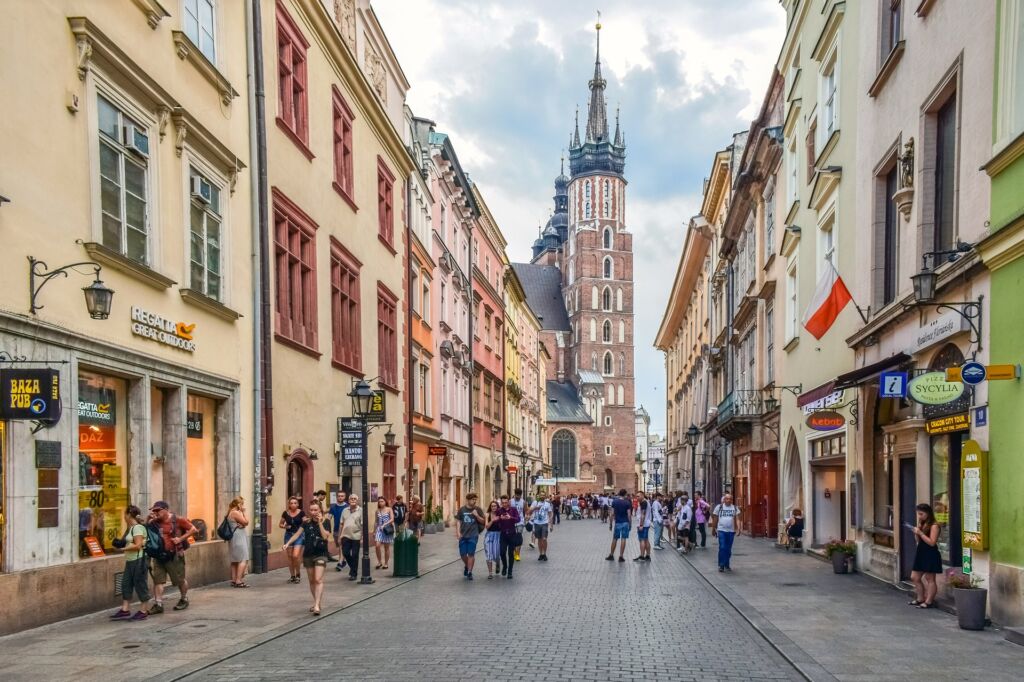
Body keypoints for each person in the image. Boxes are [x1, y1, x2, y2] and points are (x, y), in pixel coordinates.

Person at [146, 500, 196, 613]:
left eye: (157, 510)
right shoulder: (154, 521)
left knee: (180, 580)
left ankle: (184, 599)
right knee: (158, 580)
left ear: (166, 510)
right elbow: (146, 530)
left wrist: (180, 539)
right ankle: (158, 604)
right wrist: (147, 519)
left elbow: (193, 529)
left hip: (175, 555)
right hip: (159, 555)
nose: (155, 512)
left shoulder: (177, 519)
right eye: (154, 510)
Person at [283, 500, 331, 616]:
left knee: (318, 579)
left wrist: (319, 522)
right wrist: (288, 543)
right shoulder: (306, 522)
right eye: (311, 510)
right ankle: (316, 602)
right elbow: (297, 534)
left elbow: (325, 536)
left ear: (320, 510)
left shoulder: (326, 521)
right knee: (312, 580)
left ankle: (316, 605)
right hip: (308, 554)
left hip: (321, 554)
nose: (313, 512)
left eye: (316, 510)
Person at [109, 504, 152, 620]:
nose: (124, 517)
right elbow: (131, 542)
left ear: (128, 515)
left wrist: (123, 549)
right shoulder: (131, 528)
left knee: (140, 584)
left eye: (124, 514)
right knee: (126, 584)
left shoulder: (137, 528)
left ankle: (143, 610)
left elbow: (138, 545)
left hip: (139, 560)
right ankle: (125, 609)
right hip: (130, 560)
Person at [910, 503, 942, 608]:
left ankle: (928, 601)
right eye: (918, 514)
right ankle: (920, 598)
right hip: (921, 552)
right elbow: (918, 541)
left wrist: (921, 533)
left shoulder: (934, 525)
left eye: (921, 514)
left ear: (928, 513)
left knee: (930, 578)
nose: (919, 516)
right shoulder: (923, 524)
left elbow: (932, 542)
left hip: (930, 553)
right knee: (914, 577)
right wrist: (916, 533)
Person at [456, 493, 485, 580]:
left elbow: (483, 521)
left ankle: (469, 572)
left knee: (471, 554)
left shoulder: (478, 509)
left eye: (475, 499)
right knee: (463, 554)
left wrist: (476, 515)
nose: (474, 501)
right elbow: (458, 521)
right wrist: (458, 532)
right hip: (463, 535)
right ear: (468, 500)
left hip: (473, 534)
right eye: (473, 499)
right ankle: (467, 565)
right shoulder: (462, 510)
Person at [279, 497, 306, 584]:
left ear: (298, 504)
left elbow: (305, 522)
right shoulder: (285, 513)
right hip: (288, 535)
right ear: (289, 504)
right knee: (290, 557)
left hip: (299, 535)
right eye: (291, 503)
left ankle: (298, 574)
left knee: (295, 556)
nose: (293, 504)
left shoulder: (301, 512)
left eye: (295, 503)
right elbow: (280, 524)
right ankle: (292, 576)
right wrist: (285, 526)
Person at [711, 493, 741, 572]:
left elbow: (738, 519)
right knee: (722, 547)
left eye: (730, 499)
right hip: (721, 530)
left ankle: (727, 564)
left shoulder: (735, 508)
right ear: (724, 500)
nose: (728, 500)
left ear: (732, 500)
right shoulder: (719, 507)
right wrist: (713, 529)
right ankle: (721, 565)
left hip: (731, 531)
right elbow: (715, 518)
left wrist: (739, 528)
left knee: (728, 549)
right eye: (727, 499)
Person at [495, 495, 521, 579]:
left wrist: (511, 517)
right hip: (503, 534)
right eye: (503, 503)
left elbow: (518, 519)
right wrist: (500, 518)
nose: (504, 504)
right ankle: (505, 566)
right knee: (502, 552)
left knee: (510, 553)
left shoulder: (513, 509)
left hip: (512, 534)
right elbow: (495, 521)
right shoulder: (499, 510)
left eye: (506, 502)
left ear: (508, 502)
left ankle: (510, 571)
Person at [227, 496, 250, 587]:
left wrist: (242, 524)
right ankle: (238, 581)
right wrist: (244, 512)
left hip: (234, 537)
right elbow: (246, 522)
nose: (243, 506)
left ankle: (233, 580)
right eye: (242, 504)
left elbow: (242, 524)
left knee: (235, 560)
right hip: (238, 537)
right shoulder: (235, 512)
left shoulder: (230, 512)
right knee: (243, 559)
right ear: (238, 504)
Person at [338, 494, 362, 580]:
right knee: (345, 553)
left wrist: (362, 537)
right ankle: (353, 568)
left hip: (356, 536)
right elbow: (341, 524)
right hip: (345, 535)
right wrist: (339, 536)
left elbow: (363, 525)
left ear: (357, 501)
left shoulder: (361, 511)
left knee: (355, 554)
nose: (353, 500)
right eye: (351, 498)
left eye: (355, 498)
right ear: (348, 500)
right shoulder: (345, 510)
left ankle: (353, 574)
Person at [605, 489, 633, 562]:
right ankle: (621, 556)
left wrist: (610, 524)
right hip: (625, 522)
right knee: (623, 538)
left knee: (615, 538)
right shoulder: (627, 503)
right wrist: (630, 524)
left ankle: (611, 555)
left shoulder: (615, 502)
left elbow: (612, 514)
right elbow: (629, 515)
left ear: (619, 494)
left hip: (617, 523)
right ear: (625, 494)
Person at [527, 492, 553, 561]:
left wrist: (551, 525)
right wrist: (535, 508)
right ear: (538, 496)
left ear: (545, 496)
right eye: (541, 495)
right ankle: (541, 554)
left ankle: (544, 553)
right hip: (536, 523)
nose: (542, 496)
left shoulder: (547, 504)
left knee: (544, 538)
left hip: (545, 523)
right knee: (539, 539)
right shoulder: (535, 503)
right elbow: (529, 511)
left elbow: (550, 514)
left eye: (543, 495)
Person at [373, 497, 396, 570]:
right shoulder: (377, 511)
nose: (380, 503)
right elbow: (376, 521)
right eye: (379, 502)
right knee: (377, 545)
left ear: (385, 502)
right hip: (379, 529)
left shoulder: (389, 509)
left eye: (382, 501)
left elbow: (392, 519)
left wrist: (385, 524)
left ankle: (386, 563)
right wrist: (374, 531)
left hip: (387, 529)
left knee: (386, 547)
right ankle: (379, 562)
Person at [329, 491, 349, 572]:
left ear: (345, 497)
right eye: (339, 496)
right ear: (337, 497)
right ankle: (343, 560)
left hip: (346, 530)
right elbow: (329, 517)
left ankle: (340, 562)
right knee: (340, 546)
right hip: (336, 529)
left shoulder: (348, 507)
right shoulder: (333, 507)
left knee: (341, 545)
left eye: (342, 496)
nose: (340, 497)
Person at [483, 501, 502, 579]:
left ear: (497, 507)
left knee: (496, 554)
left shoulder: (500, 515)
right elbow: (487, 526)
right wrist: (493, 520)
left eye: (495, 506)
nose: (493, 507)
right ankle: (490, 573)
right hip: (489, 535)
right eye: (492, 506)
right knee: (489, 554)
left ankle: (497, 562)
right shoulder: (487, 515)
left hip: (498, 535)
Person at [510, 489, 526, 560]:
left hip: (520, 522)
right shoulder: (510, 501)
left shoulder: (523, 502)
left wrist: (527, 517)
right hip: (512, 522)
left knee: (519, 538)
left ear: (521, 495)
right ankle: (513, 552)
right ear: (515, 494)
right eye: (517, 495)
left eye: (519, 495)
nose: (518, 497)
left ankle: (517, 554)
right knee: (513, 538)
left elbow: (526, 511)